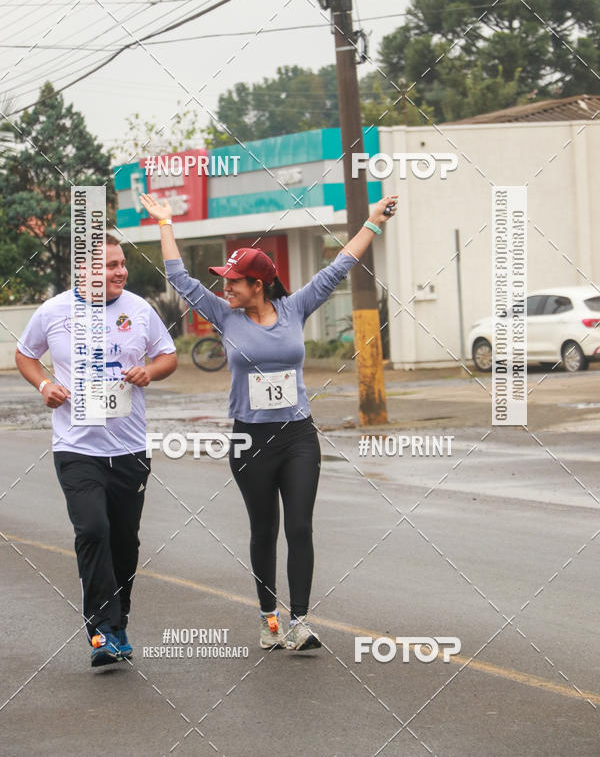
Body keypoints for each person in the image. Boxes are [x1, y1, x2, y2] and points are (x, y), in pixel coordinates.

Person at [140, 190, 397, 651]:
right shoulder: (224, 315)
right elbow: (178, 277)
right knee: (264, 531)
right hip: (250, 439)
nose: (225, 288)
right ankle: (268, 618)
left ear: (258, 284)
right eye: (224, 281)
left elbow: (340, 265)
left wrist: (373, 221)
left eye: (233, 281)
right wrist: (164, 223)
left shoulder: (295, 308)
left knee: (299, 527)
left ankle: (300, 621)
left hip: (298, 435)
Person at [15, 233, 178, 668]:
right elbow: (25, 355)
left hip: (129, 448)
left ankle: (118, 622)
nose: (120, 272)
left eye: (121, 264)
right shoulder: (54, 311)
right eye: (109, 265)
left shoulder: (139, 309)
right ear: (83, 270)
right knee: (92, 530)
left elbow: (168, 356)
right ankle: (102, 631)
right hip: (76, 448)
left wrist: (149, 372)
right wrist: (44, 385)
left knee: (124, 540)